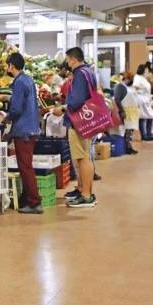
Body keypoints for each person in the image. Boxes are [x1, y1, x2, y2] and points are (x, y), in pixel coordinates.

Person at [53, 47, 97, 208]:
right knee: (84, 156)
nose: (67, 63)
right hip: (87, 119)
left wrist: (62, 108)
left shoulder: (79, 74)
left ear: (72, 59)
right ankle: (84, 190)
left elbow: (77, 100)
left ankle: (86, 195)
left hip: (78, 120)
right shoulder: (88, 72)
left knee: (82, 157)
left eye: (67, 59)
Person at [5, 52, 43, 214]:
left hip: (24, 130)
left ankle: (34, 203)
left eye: (7, 65)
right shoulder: (28, 79)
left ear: (11, 65)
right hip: (32, 127)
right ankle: (26, 198)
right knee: (27, 165)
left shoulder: (19, 82)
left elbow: (17, 108)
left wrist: (6, 118)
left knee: (25, 167)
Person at [113, 71, 140, 154]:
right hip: (126, 111)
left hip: (133, 112)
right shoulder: (120, 87)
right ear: (126, 79)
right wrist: (122, 111)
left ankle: (128, 147)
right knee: (126, 130)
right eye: (131, 79)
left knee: (130, 130)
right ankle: (126, 148)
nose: (132, 81)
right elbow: (117, 99)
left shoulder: (131, 87)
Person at [133, 64, 153, 141]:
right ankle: (144, 135)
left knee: (149, 116)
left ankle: (149, 134)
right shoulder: (137, 77)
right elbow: (135, 86)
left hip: (146, 99)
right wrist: (142, 89)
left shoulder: (143, 78)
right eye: (146, 70)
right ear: (142, 70)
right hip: (141, 99)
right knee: (143, 117)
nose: (147, 71)